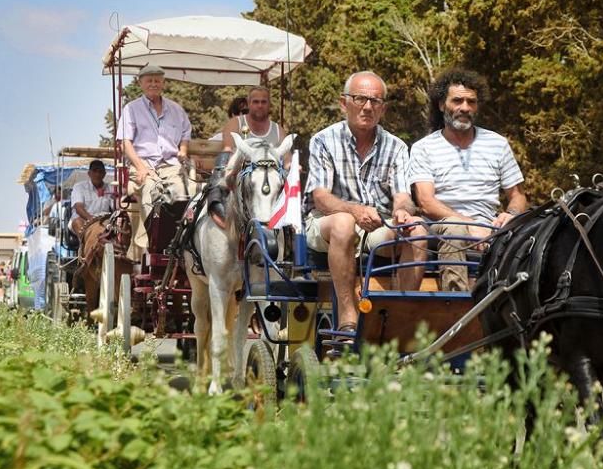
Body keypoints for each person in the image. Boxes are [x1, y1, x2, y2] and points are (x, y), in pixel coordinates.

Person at [305, 71, 428, 332]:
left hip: (377, 226)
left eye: (375, 101)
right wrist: (354, 210)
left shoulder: (396, 147)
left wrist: (402, 213)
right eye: (360, 99)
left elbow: (403, 196)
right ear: (343, 103)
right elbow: (321, 197)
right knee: (343, 223)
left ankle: (401, 321)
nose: (368, 107)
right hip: (327, 224)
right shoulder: (323, 141)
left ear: (383, 108)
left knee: (417, 227)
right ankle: (348, 318)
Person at [409, 68, 527, 291]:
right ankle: (457, 307)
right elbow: (426, 202)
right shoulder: (424, 148)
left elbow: (518, 196)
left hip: (491, 227)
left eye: (471, 102)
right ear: (442, 105)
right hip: (443, 228)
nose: (465, 107)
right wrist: (470, 225)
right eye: (457, 101)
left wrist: (509, 216)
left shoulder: (497, 144)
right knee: (455, 230)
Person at [116, 63, 192, 261]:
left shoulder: (176, 109)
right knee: (152, 191)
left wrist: (183, 149)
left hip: (170, 165)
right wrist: (141, 167)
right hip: (143, 165)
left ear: (163, 83)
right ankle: (155, 243)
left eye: (157, 80)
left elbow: (185, 132)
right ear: (141, 83)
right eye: (149, 80)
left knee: (182, 195)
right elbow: (125, 143)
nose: (153, 84)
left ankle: (180, 240)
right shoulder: (131, 109)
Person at [207, 86, 286, 221]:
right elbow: (229, 151)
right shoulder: (235, 123)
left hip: (270, 178)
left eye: (263, 102)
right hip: (241, 176)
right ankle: (216, 203)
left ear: (269, 104)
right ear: (249, 104)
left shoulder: (278, 130)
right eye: (256, 102)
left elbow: (288, 159)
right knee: (224, 157)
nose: (260, 105)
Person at [69, 160, 115, 237]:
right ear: (89, 173)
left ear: (104, 174)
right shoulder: (79, 187)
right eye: (94, 171)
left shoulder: (110, 188)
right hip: (84, 220)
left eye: (100, 172)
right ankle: (83, 246)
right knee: (77, 222)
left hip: (104, 221)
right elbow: (79, 208)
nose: (97, 174)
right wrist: (92, 220)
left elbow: (115, 207)